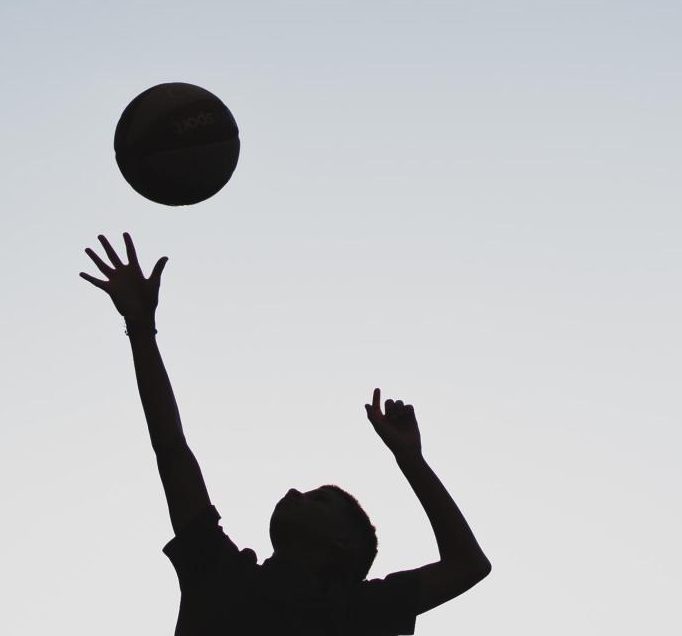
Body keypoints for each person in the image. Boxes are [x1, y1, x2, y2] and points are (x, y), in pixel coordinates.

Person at [81, 232, 492, 636]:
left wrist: (411, 460)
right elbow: (170, 448)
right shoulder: (220, 570)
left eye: (321, 500)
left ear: (343, 543)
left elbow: (470, 565)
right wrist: (140, 329)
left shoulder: (354, 610)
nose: (296, 492)